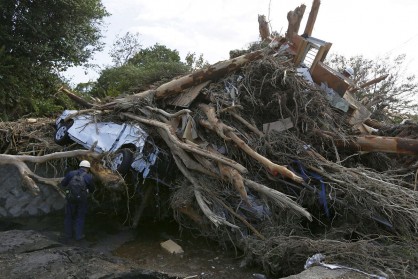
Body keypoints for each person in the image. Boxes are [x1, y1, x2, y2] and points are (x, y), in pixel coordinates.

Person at [61, 160, 95, 241]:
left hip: (71, 199)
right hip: (82, 201)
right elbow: (92, 189)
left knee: (69, 217)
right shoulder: (89, 176)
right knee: (80, 217)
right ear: (88, 168)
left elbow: (63, 184)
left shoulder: (71, 173)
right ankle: (78, 236)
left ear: (80, 166)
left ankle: (68, 235)